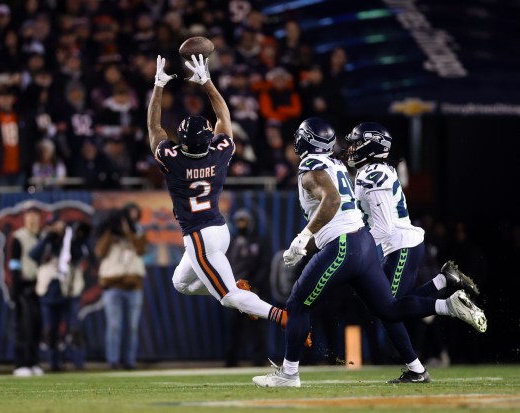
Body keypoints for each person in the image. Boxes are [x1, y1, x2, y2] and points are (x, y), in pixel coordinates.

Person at [252, 117, 487, 387]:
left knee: (297, 305)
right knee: (389, 309)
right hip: (360, 243)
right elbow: (341, 215)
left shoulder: (313, 165)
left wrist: (304, 236)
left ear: (307, 140)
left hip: (351, 245)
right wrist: (308, 244)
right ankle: (427, 340)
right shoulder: (337, 164)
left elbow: (333, 201)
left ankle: (289, 374)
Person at [147, 54, 287, 329]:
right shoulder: (220, 154)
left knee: (228, 297)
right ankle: (233, 287)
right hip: (219, 230)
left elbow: (154, 127)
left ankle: (282, 316)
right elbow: (225, 116)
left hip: (199, 235)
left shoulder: (172, 159)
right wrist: (208, 83)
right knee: (181, 283)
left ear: (182, 140)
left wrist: (159, 85)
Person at [344, 121, 482, 382]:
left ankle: (448, 306)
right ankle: (444, 281)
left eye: (356, 143)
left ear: (370, 146)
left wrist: (357, 248)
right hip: (401, 245)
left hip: (399, 245)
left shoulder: (372, 173)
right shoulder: (376, 169)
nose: (351, 148)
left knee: (388, 309)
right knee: (393, 308)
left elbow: (383, 228)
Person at [30, 219, 89, 372]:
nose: (57, 229)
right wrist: (48, 238)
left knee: (74, 328)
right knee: (51, 330)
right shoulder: (45, 240)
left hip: (68, 290)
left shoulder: (70, 241)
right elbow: (33, 255)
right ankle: (53, 363)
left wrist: (72, 240)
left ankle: (78, 362)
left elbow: (79, 256)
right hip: (49, 291)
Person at [95, 205, 147, 370]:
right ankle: (113, 361)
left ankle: (129, 360)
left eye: (134, 214)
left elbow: (140, 249)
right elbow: (100, 252)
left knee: (132, 327)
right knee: (114, 325)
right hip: (113, 285)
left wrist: (127, 231)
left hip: (133, 286)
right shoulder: (108, 232)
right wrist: (111, 232)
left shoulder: (138, 231)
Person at [225, 209, 271, 367]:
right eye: (239, 222)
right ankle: (232, 359)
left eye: (244, 221)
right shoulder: (232, 242)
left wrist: (254, 285)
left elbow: (265, 265)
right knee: (234, 328)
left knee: (257, 327)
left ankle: (259, 359)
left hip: (254, 290)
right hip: (235, 291)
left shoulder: (259, 241)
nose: (241, 225)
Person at [8, 201, 43, 377]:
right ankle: (20, 363)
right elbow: (14, 264)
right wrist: (16, 288)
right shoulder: (18, 237)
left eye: (35, 217)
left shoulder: (41, 237)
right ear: (24, 218)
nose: (32, 220)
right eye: (29, 216)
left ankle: (33, 361)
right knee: (24, 326)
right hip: (24, 285)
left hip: (39, 286)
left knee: (37, 326)